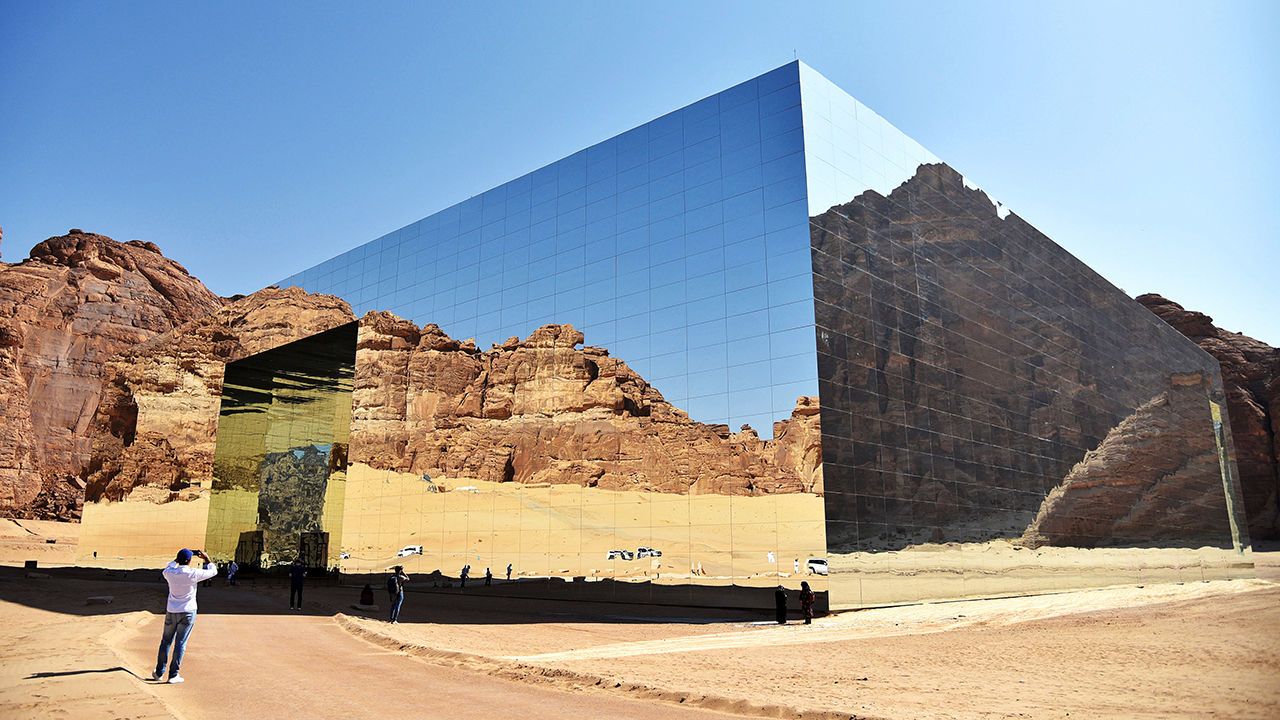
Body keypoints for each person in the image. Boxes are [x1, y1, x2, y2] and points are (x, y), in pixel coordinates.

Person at [154, 548, 218, 684]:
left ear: (178, 559)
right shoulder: (193, 573)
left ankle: (159, 672)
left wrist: (176, 560)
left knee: (166, 641)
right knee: (180, 643)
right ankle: (173, 674)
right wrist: (207, 559)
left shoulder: (169, 573)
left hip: (171, 611)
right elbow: (213, 572)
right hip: (188, 611)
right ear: (189, 561)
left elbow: (168, 566)